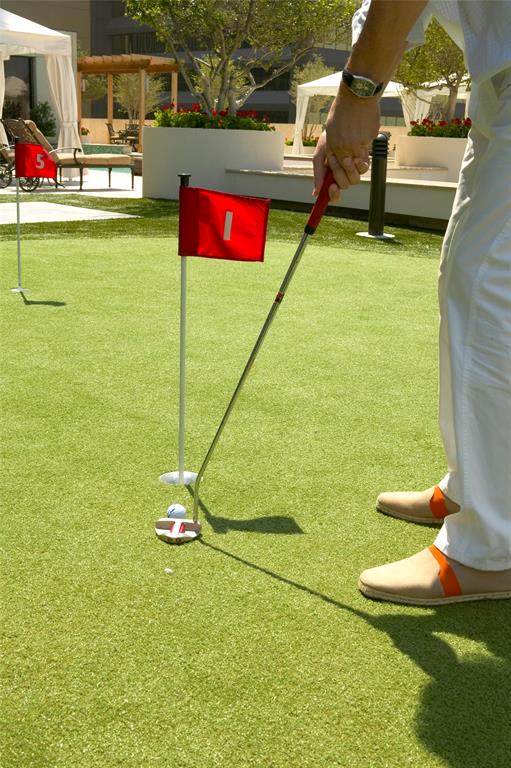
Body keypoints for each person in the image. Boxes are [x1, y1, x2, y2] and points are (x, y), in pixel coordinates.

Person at [313, 0, 511, 605]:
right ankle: (473, 489)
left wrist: (359, 94)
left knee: (485, 295)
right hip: (497, 105)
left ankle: (492, 549)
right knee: (465, 280)